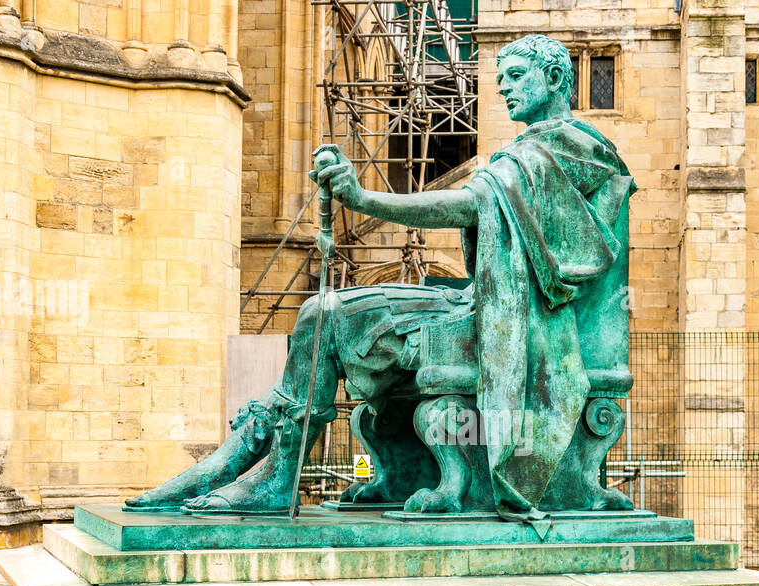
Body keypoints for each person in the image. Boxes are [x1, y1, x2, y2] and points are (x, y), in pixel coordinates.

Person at [125, 33, 634, 518]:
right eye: (501, 78)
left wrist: (366, 199)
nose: (503, 88)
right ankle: (276, 467)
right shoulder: (531, 152)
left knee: (324, 313)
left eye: (516, 76)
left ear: (552, 77)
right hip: (489, 310)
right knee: (321, 312)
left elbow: (471, 204)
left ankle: (277, 474)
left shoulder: (570, 149)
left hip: (529, 329)